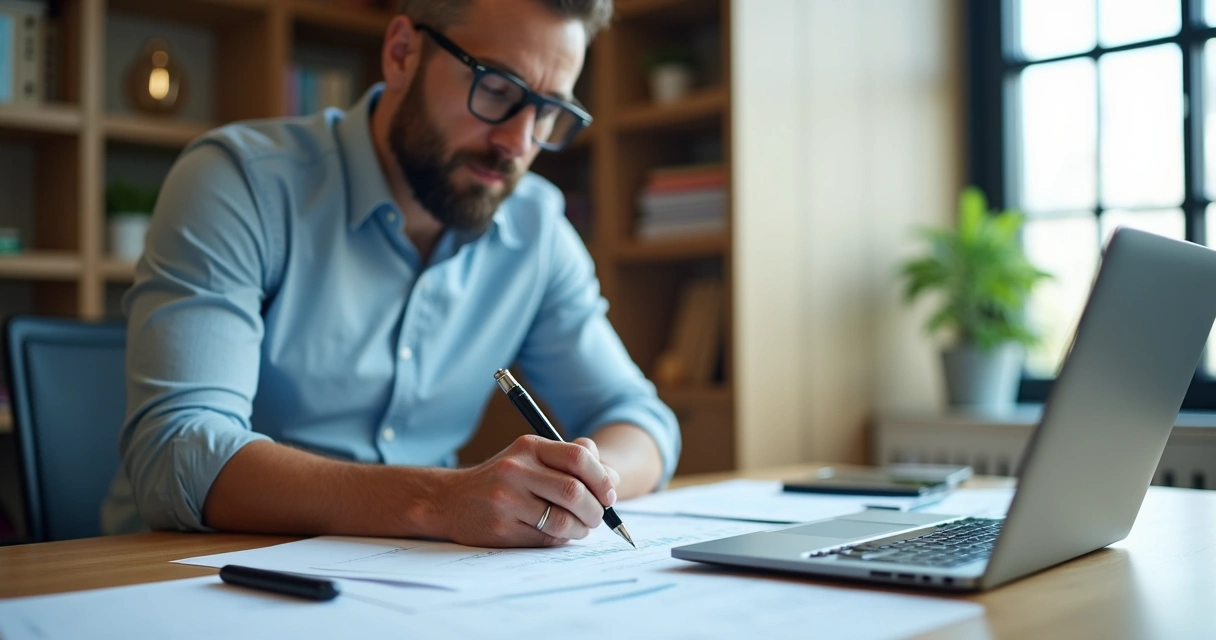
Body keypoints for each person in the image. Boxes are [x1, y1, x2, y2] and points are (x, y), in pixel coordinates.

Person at [101, 0, 680, 548]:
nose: (517, 142)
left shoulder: (536, 228)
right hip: (185, 579)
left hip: (412, 585)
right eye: (498, 88)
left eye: (549, 111)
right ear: (402, 51)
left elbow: (641, 421)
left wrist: (577, 484)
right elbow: (177, 455)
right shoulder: (240, 184)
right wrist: (438, 501)